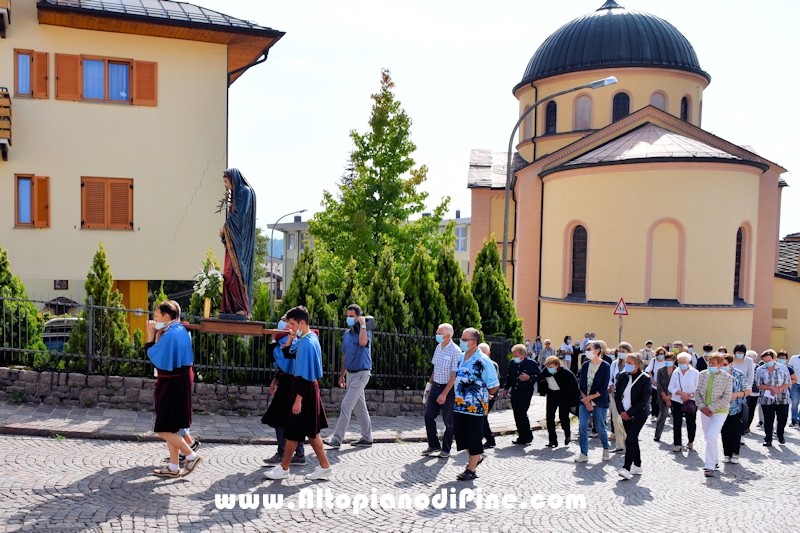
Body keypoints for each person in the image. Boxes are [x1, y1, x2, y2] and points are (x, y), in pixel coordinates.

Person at [264, 306, 332, 480]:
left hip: (304, 389)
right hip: (306, 388)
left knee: (293, 431)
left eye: (292, 324)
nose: (290, 328)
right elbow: (289, 354)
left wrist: (298, 400)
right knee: (312, 432)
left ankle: (284, 468)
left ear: (302, 322)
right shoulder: (307, 338)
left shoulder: (308, 343)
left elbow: (308, 376)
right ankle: (324, 467)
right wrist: (289, 340)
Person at [145, 301, 201, 478]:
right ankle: (173, 466)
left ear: (166, 316)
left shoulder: (170, 334)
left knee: (163, 428)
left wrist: (150, 336)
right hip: (179, 380)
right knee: (173, 428)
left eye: (156, 315)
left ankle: (191, 455)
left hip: (172, 383)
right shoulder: (180, 329)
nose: (154, 319)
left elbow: (156, 356)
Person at [453, 328, 499, 480]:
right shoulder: (461, 357)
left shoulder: (483, 360)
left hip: (475, 407)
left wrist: (484, 394)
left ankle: (471, 469)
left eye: (465, 340)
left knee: (473, 437)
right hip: (459, 405)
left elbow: (493, 384)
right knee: (461, 436)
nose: (461, 341)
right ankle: (476, 457)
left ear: (474, 342)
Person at [324, 304, 373, 449]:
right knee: (359, 408)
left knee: (346, 405)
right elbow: (345, 357)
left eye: (352, 316)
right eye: (348, 316)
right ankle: (367, 437)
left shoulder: (365, 332)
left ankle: (337, 439)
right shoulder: (347, 334)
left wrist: (363, 325)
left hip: (362, 373)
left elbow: (363, 343)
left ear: (358, 317)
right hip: (351, 375)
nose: (349, 318)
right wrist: (341, 376)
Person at [262, 315, 307, 465]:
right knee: (293, 419)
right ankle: (298, 453)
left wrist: (274, 341)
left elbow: (282, 360)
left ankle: (283, 452)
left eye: (283, 319)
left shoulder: (287, 340)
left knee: (279, 418)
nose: (280, 322)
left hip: (290, 383)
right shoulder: (293, 339)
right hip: (290, 381)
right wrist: (276, 379)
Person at [218, 168, 256, 318]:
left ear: (233, 179)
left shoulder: (245, 192)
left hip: (240, 244)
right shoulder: (237, 196)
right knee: (228, 273)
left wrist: (225, 227)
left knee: (235, 272)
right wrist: (225, 232)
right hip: (232, 242)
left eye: (227, 182)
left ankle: (242, 307)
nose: (227, 186)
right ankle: (230, 306)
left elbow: (241, 216)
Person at [422, 323, 461, 459]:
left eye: (439, 333)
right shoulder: (438, 347)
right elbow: (435, 368)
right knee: (428, 415)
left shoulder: (455, 351)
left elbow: (454, 375)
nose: (437, 335)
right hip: (435, 386)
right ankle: (433, 444)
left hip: (448, 388)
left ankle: (446, 448)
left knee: (448, 420)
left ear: (448, 335)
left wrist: (444, 394)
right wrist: (429, 386)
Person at [695, 353, 733, 477]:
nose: (710, 365)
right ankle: (715, 460)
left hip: (720, 411)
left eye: (713, 363)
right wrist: (702, 407)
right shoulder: (702, 375)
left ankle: (709, 466)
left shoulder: (727, 378)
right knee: (708, 437)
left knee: (712, 435)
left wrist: (711, 408)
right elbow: (697, 393)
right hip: (704, 411)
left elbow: (727, 397)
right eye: (709, 363)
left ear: (720, 365)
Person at [615, 352, 651, 480]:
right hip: (624, 414)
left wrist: (629, 413)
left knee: (630, 439)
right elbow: (617, 396)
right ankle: (638, 465)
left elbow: (644, 400)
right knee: (632, 439)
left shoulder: (645, 379)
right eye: (626, 362)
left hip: (639, 414)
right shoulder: (622, 376)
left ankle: (626, 468)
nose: (626, 364)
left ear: (637, 365)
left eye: (629, 363)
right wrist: (622, 412)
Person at [575, 340, 611, 463]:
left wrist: (589, 399)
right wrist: (586, 401)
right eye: (586, 349)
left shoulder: (605, 366)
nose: (587, 351)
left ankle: (606, 448)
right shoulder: (585, 365)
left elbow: (604, 387)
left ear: (597, 351)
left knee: (600, 427)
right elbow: (581, 383)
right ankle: (583, 453)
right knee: (583, 426)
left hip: (599, 400)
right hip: (585, 400)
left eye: (589, 349)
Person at [504, 344, 541, 445]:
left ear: (523, 355)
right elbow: (509, 376)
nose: (515, 358)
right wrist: (506, 388)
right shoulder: (512, 363)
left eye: (517, 356)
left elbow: (540, 376)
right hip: (515, 391)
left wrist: (530, 378)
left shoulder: (531, 363)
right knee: (516, 414)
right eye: (514, 356)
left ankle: (528, 435)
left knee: (522, 413)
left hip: (526, 391)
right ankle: (521, 435)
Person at [539, 355, 578, 447]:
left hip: (564, 396)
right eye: (548, 367)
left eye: (551, 367)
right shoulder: (546, 371)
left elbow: (573, 387)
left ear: (557, 365)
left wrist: (573, 401)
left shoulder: (566, 373)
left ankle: (567, 434)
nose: (549, 369)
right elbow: (540, 377)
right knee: (549, 417)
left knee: (563, 417)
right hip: (552, 394)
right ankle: (552, 440)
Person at [755, 350, 792, 447]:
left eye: (769, 360)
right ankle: (768, 439)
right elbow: (759, 384)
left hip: (782, 397)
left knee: (782, 418)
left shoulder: (783, 368)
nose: (767, 362)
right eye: (765, 361)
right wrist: (771, 388)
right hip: (767, 398)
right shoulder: (760, 369)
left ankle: (780, 434)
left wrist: (778, 389)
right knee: (768, 419)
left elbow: (788, 382)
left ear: (774, 358)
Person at [720, 355, 750, 464]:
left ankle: (735, 453)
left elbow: (748, 391)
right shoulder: (717, 375)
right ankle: (727, 454)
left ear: (731, 364)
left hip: (736, 408)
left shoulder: (739, 375)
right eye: (721, 364)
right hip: (721, 408)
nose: (722, 367)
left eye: (725, 364)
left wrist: (737, 394)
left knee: (734, 431)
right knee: (724, 431)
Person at [668, 353, 699, 452]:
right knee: (677, 422)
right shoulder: (676, 372)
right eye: (679, 362)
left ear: (688, 362)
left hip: (691, 401)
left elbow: (699, 388)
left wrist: (688, 396)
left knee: (691, 422)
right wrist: (681, 393)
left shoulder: (695, 373)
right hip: (677, 400)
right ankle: (677, 444)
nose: (681, 364)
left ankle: (690, 440)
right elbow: (671, 387)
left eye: (683, 362)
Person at [608, 343, 630, 452]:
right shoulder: (614, 364)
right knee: (616, 419)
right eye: (619, 351)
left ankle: (627, 436)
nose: (621, 353)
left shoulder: (631, 364)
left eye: (623, 351)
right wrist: (612, 387)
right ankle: (619, 445)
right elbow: (610, 377)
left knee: (625, 417)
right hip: (614, 394)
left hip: (627, 395)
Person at [731, 343, 755, 444]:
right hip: (731, 390)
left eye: (742, 352)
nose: (740, 354)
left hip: (744, 390)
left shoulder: (749, 361)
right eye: (738, 352)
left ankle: (741, 434)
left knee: (743, 413)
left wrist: (746, 390)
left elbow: (750, 376)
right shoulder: (731, 360)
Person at [478, 342, 500, 448]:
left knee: (482, 417)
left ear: (489, 353)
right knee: (480, 417)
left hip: (489, 395)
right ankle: (483, 437)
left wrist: (489, 393)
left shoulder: (492, 364)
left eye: (483, 352)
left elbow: (493, 382)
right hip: (478, 395)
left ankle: (490, 439)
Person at [654, 351, 675, 442]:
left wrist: (670, 397)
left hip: (675, 397)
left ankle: (676, 438)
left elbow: (678, 386)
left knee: (676, 418)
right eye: (667, 360)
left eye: (670, 360)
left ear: (674, 361)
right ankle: (657, 435)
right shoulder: (661, 370)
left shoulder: (677, 371)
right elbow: (659, 385)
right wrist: (665, 397)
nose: (668, 362)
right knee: (663, 415)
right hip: (663, 396)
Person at [645, 348, 668, 422]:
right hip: (654, 384)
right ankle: (654, 414)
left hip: (663, 385)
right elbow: (649, 371)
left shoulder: (666, 362)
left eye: (662, 354)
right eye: (659, 354)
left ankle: (660, 414)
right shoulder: (653, 361)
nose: (660, 355)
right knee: (654, 399)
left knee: (661, 400)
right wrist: (652, 380)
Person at [745, 350, 761, 432]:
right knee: (744, 409)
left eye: (750, 357)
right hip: (744, 392)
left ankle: (747, 426)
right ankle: (743, 425)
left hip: (754, 392)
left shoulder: (758, 368)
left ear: (754, 359)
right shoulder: (744, 366)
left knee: (751, 410)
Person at [789, 349, 800, 427]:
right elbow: (789, 370)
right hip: (795, 384)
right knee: (795, 403)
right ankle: (793, 420)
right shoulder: (794, 358)